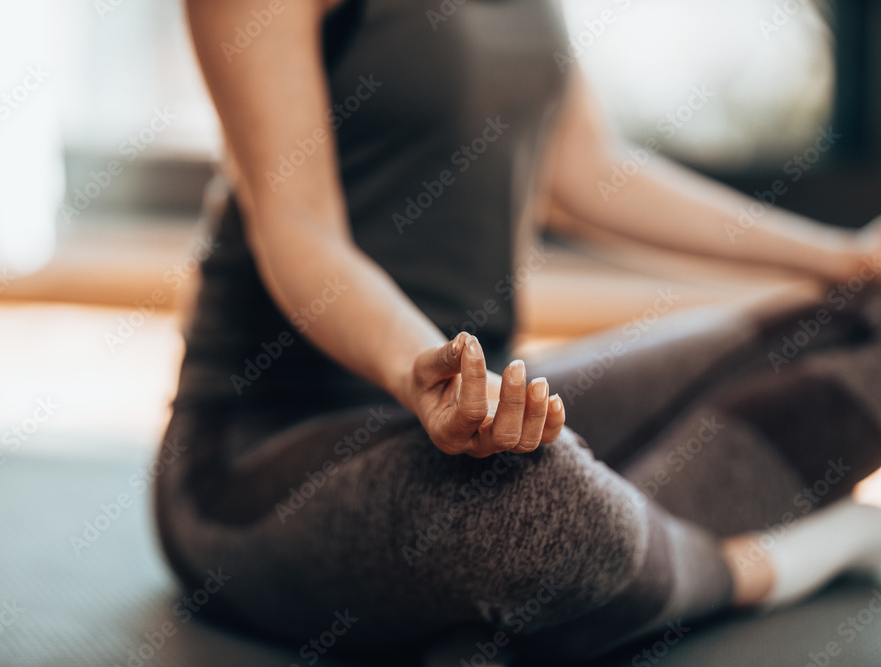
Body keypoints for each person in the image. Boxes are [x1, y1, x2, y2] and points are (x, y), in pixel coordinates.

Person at [153, 0, 881, 660]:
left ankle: (593, 580)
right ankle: (773, 559)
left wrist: (841, 256)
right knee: (538, 508)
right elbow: (301, 231)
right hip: (262, 450)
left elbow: (586, 171)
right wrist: (423, 372)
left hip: (491, 419)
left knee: (873, 321)